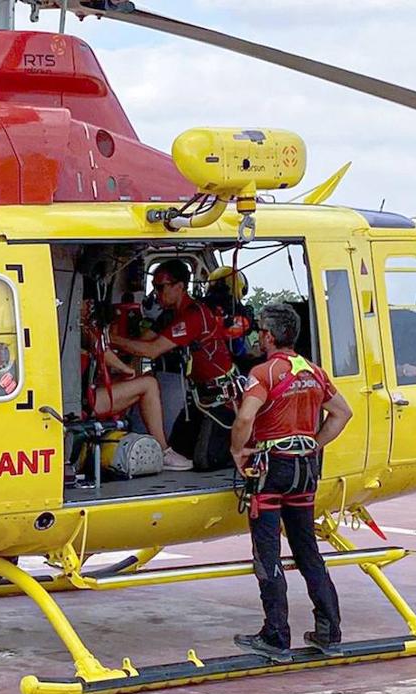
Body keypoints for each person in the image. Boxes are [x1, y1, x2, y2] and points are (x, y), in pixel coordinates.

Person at [229, 303, 353, 662]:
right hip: (305, 470)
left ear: (268, 336)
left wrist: (239, 453)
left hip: (271, 470)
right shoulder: (314, 372)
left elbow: (244, 419)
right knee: (307, 551)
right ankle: (329, 631)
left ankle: (276, 636)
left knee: (267, 555)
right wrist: (315, 441)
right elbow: (342, 413)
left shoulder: (263, 373)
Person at [112, 260, 237, 468]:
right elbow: (144, 341)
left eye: (160, 287)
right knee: (181, 452)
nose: (156, 293)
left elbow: (151, 350)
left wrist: (113, 340)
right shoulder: (169, 315)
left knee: (205, 461)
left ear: (179, 287)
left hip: (219, 400)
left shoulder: (193, 316)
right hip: (198, 397)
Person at [81, 300, 193, 470]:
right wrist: (127, 370)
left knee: (141, 380)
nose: (89, 306)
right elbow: (103, 351)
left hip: (84, 393)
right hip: (82, 401)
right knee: (148, 384)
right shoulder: (81, 329)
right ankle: (164, 451)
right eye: (86, 302)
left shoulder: (76, 327)